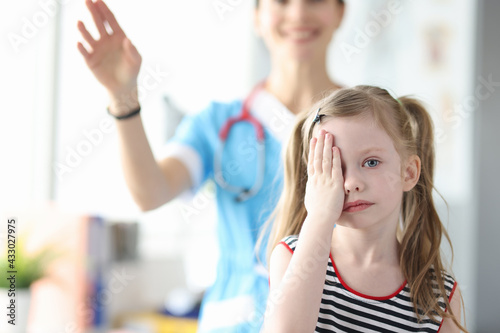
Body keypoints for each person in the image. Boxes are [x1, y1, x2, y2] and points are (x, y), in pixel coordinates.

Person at [76, 0, 345, 331]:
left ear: (340, 13)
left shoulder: (371, 125)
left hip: (337, 315)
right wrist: (123, 96)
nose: (299, 13)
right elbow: (150, 192)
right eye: (282, 2)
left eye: (315, 1)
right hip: (238, 319)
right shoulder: (217, 123)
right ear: (257, 17)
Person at [261, 85, 467, 332]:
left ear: (409, 172)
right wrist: (321, 215)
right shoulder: (291, 256)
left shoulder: (440, 297)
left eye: (371, 162)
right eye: (335, 168)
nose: (351, 183)